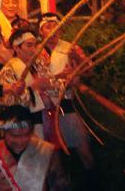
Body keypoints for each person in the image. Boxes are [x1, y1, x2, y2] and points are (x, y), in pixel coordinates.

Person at [38, 13, 95, 173]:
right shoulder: (35, 50)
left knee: (84, 150)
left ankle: (91, 182)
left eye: (56, 26)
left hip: (65, 103)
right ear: (41, 30)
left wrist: (78, 62)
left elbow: (89, 70)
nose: (53, 30)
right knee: (51, 157)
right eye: (48, 27)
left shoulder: (70, 47)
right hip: (43, 107)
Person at [0, 105, 70, 191]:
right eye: (14, 136)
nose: (20, 141)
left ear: (32, 131)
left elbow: (60, 187)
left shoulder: (47, 152)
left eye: (25, 135)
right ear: (3, 132)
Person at [0, 27, 57, 137]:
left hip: (46, 117)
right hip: (21, 123)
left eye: (35, 45)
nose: (34, 49)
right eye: (29, 45)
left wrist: (53, 85)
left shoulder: (38, 64)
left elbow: (53, 85)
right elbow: (9, 101)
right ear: (16, 48)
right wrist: (34, 88)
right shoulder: (7, 71)